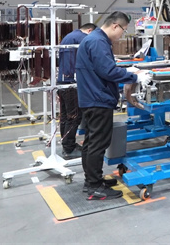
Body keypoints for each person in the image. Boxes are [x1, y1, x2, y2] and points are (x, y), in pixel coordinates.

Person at [76, 12, 151, 200]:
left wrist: (125, 70)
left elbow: (103, 67)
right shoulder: (98, 41)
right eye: (123, 31)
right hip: (98, 99)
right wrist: (134, 77)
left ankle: (92, 180)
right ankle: (94, 186)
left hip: (92, 97)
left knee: (92, 142)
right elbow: (107, 71)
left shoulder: (95, 39)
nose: (121, 35)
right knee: (98, 143)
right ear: (115, 26)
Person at [57, 23, 96, 160]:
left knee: (65, 116)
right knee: (74, 117)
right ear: (90, 30)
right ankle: (69, 149)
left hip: (62, 81)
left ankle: (67, 145)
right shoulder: (83, 38)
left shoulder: (69, 36)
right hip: (72, 83)